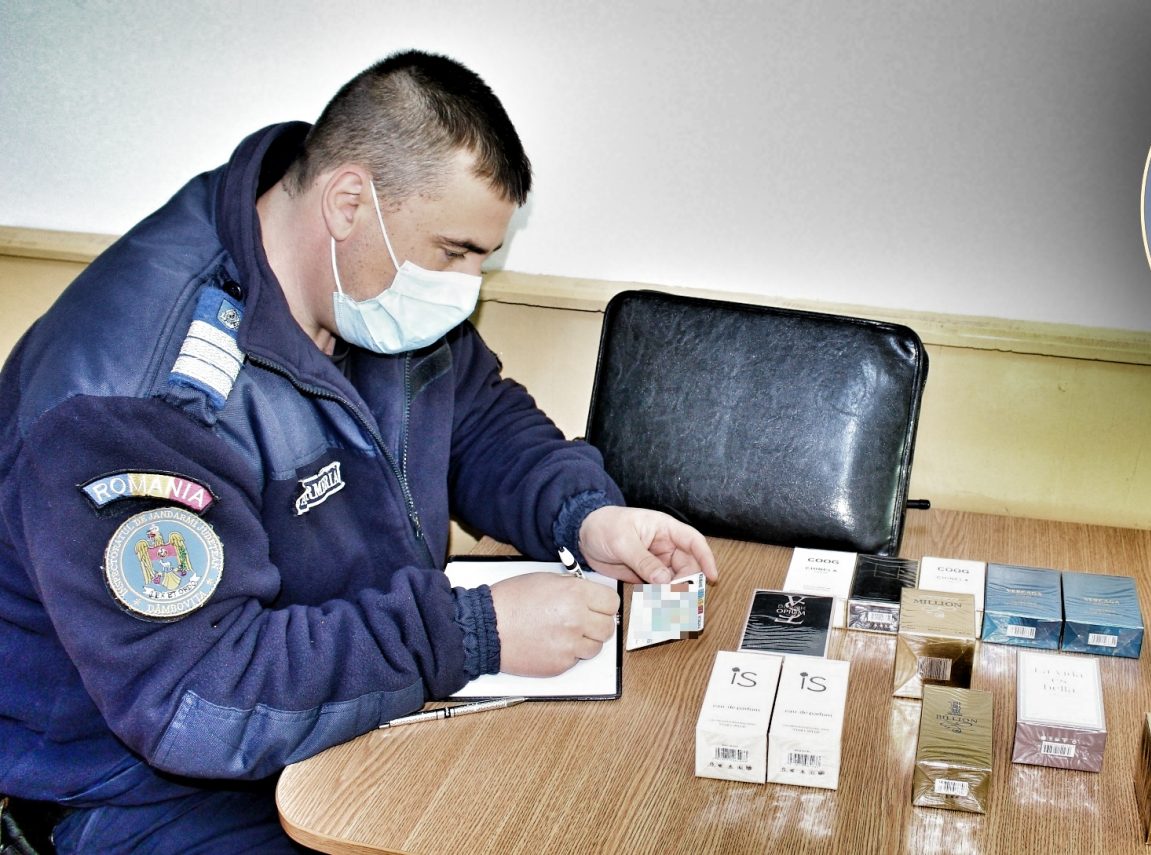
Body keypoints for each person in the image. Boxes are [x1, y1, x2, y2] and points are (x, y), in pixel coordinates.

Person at [0, 50, 717, 853]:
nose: (466, 288)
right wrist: (468, 633)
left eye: (483, 258)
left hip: (350, 703)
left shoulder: (367, 289)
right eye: (454, 252)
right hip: (141, 794)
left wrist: (582, 516)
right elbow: (201, 701)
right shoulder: (135, 398)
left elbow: (478, 419)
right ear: (348, 203)